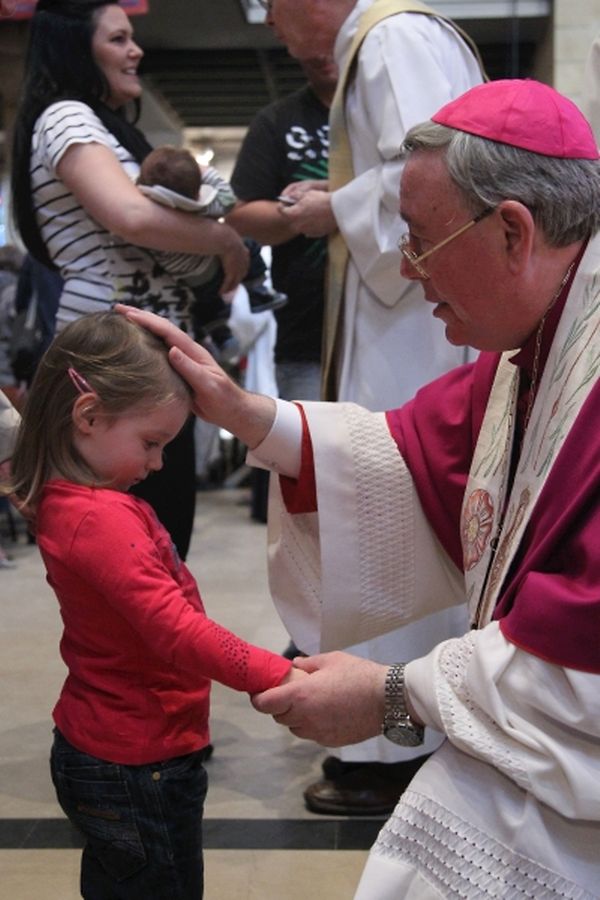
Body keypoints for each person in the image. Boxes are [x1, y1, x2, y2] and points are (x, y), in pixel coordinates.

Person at [118, 78, 600, 898]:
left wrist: (390, 697)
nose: (408, 268)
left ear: (513, 232)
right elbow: (411, 455)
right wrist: (246, 414)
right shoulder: (544, 341)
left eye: (421, 239)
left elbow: (582, 659)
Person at [255, 0, 486, 815]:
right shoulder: (392, 37)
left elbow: (433, 177)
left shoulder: (392, 38)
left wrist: (334, 208)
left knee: (388, 518)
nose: (272, 24)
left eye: (271, 5)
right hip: (407, 333)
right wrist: (347, 198)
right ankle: (407, 731)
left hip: (408, 341)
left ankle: (393, 748)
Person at [5, 310, 305, 899]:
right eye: (151, 443)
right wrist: (278, 674)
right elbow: (175, 630)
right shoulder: (98, 520)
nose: (158, 464)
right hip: (136, 765)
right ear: (88, 416)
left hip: (116, 750)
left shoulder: (78, 501)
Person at [10, 0, 248, 560]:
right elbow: (131, 216)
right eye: (117, 39)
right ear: (76, 48)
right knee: (124, 552)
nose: (135, 50)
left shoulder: (94, 123)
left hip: (140, 358)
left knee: (157, 547)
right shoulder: (66, 116)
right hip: (111, 358)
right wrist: (226, 241)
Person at [137, 145, 288, 331]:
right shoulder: (202, 208)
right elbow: (228, 199)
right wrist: (205, 171)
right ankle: (257, 292)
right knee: (249, 245)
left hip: (181, 275)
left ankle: (217, 330)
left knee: (207, 302)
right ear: (197, 190)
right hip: (211, 269)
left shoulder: (148, 209)